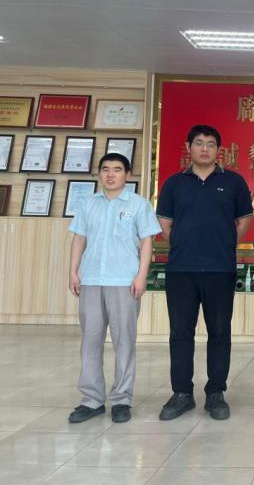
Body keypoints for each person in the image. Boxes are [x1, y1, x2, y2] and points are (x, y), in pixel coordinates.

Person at [156, 124, 253, 421]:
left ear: (218, 150)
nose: (205, 149)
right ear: (189, 148)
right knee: (180, 332)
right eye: (199, 143)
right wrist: (182, 243)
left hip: (220, 269)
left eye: (211, 144)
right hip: (181, 269)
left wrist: (225, 244)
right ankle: (182, 393)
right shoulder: (174, 183)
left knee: (220, 332)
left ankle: (215, 393)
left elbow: (244, 219)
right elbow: (164, 222)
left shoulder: (233, 182)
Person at [67, 153, 161, 424]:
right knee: (90, 340)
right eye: (105, 169)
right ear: (99, 174)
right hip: (92, 280)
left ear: (127, 175)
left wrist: (141, 276)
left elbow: (147, 242)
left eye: (117, 170)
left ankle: (121, 399)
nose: (110, 174)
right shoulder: (88, 204)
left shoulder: (139, 204)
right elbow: (79, 238)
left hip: (124, 281)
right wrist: (73, 271)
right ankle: (91, 400)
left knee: (124, 342)